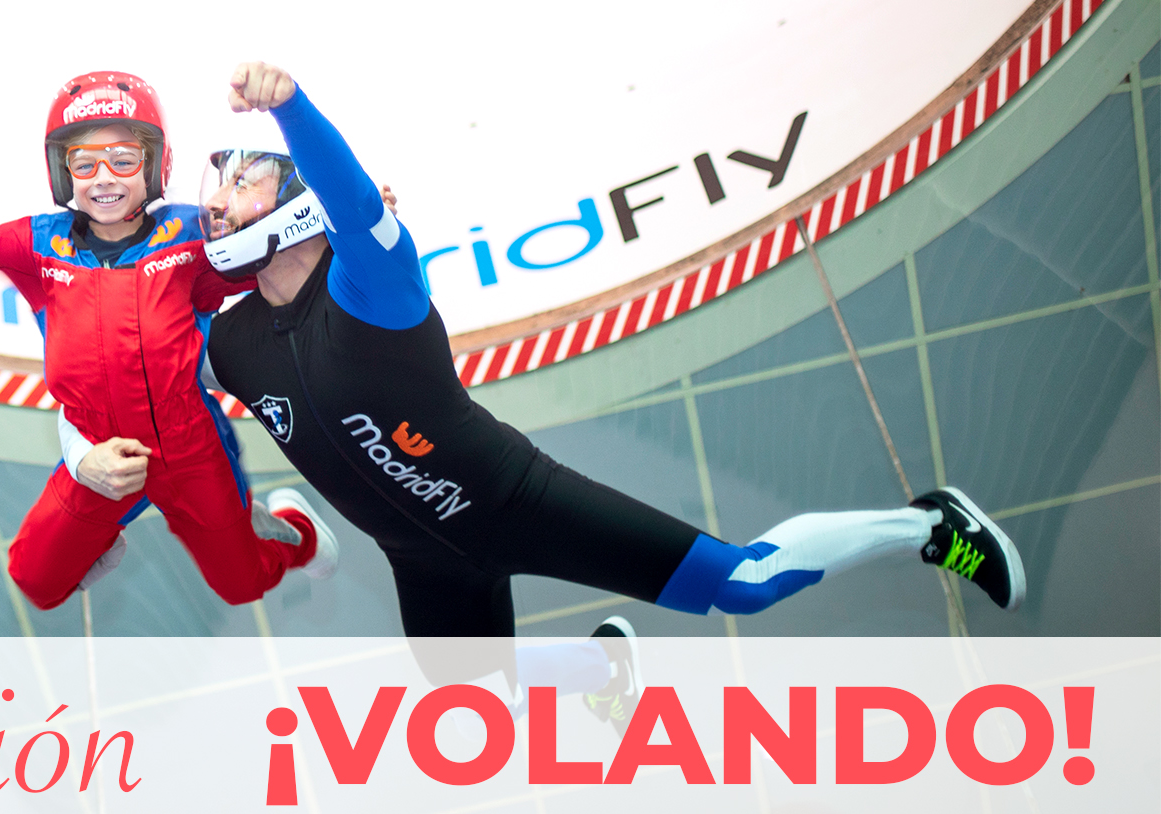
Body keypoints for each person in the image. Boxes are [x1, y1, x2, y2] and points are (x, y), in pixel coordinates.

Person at [198, 62, 1026, 731]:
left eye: (242, 184)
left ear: (297, 206)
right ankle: (604, 669)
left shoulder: (371, 285)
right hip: (423, 560)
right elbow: (137, 347)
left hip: (521, 503)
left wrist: (291, 106)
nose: (216, 203)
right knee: (470, 699)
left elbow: (349, 201)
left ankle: (929, 525)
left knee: (743, 584)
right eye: (218, 188)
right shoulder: (229, 346)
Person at [0, 72, 338, 612]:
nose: (103, 179)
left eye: (122, 159)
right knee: (34, 581)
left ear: (155, 164)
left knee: (242, 585)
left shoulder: (191, 233)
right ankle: (107, 536)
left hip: (188, 450)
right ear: (62, 172)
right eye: (83, 163)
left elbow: (275, 247)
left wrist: (348, 219)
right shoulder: (40, 245)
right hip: (98, 450)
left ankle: (296, 531)